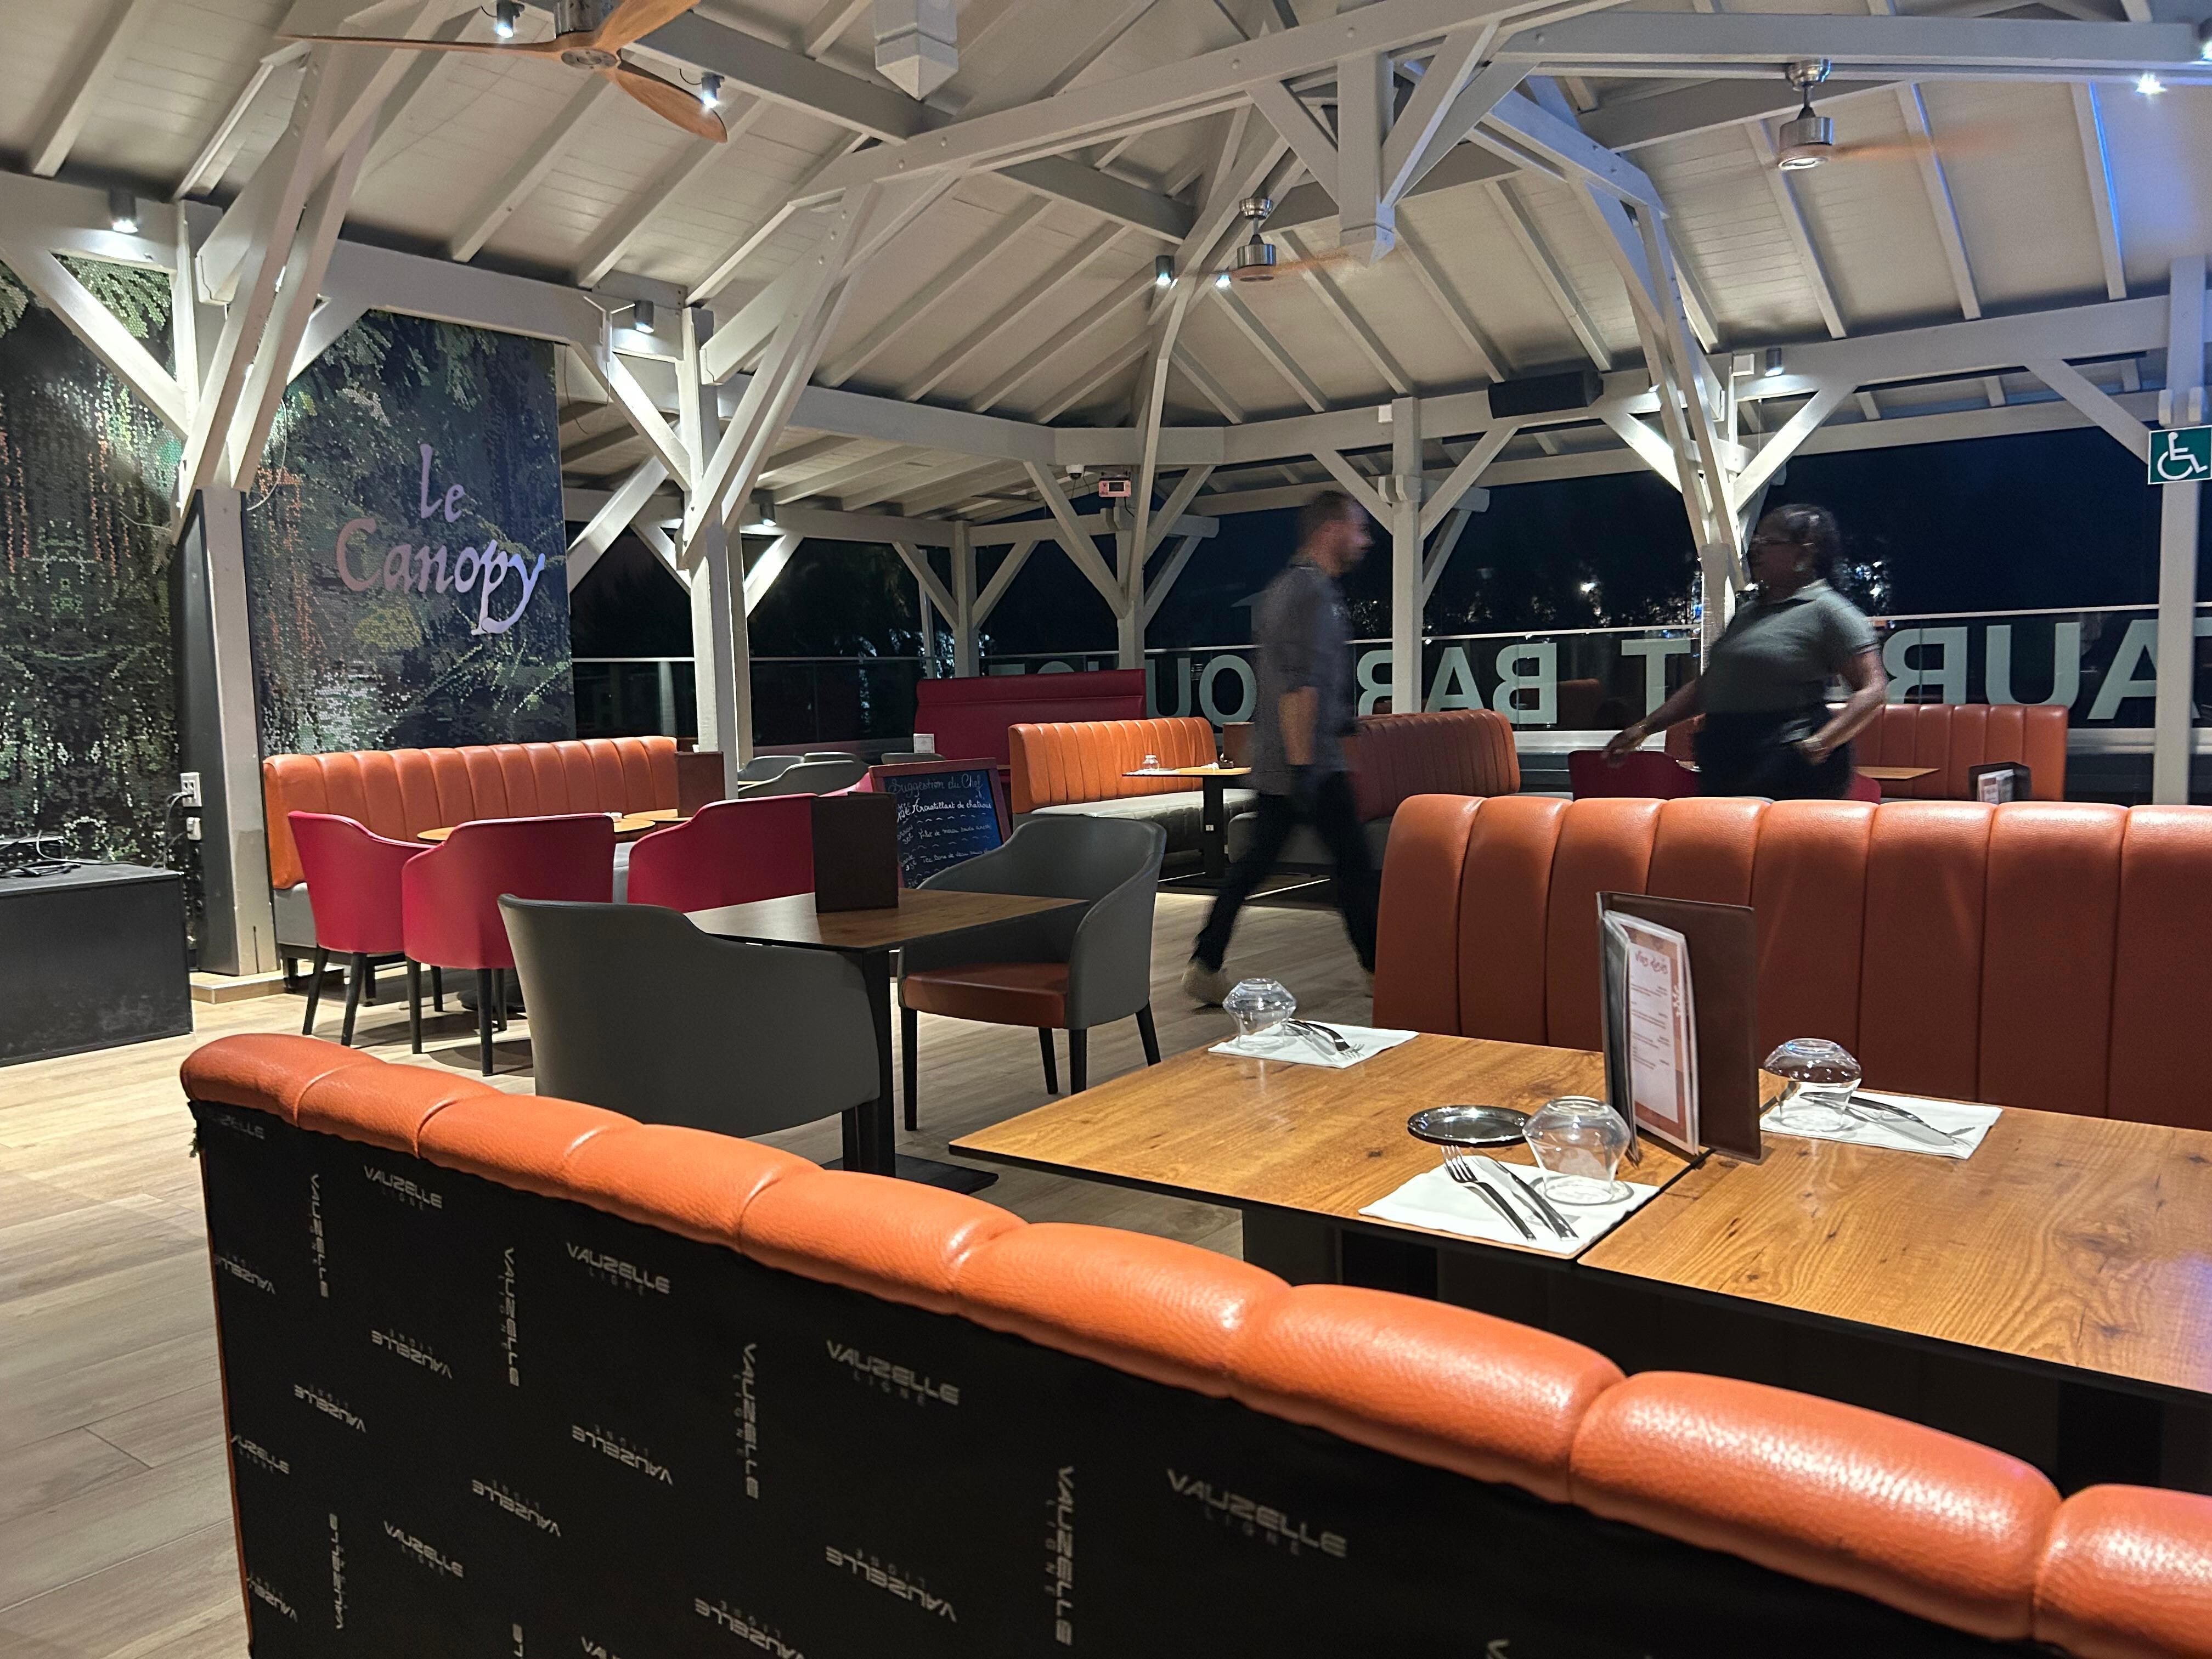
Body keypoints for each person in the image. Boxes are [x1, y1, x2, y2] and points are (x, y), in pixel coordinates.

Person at [1182, 490, 1376, 1005]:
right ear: (1330, 530)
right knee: (1354, 866)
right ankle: (1381, 972)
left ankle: (1206, 962)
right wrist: (1304, 770)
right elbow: (1296, 688)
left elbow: (1310, 684)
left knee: (1258, 865)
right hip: (1304, 765)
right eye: (1358, 529)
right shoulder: (1307, 594)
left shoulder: (1307, 592)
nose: (1365, 540)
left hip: (1297, 762)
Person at [1604, 503, 1887, 797]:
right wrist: (1644, 728)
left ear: (1804, 553)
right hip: (1728, 760)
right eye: (1757, 540)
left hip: (1787, 765)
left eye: (1770, 542)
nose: (1757, 549)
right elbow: (1709, 686)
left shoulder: (1829, 612)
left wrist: (1820, 745)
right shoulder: (1749, 612)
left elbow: (1874, 690)